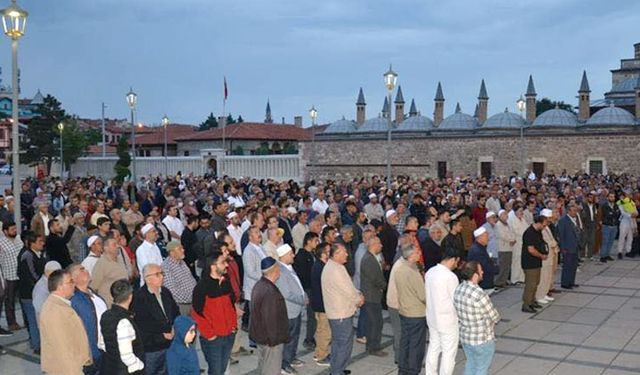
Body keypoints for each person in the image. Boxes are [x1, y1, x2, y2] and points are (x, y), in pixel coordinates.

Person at [191, 251, 237, 375]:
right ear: (213, 266)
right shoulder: (202, 287)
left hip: (229, 334)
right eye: (223, 263)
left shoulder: (226, 282)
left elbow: (232, 307)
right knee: (216, 371)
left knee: (222, 369)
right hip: (213, 338)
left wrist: (233, 327)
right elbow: (196, 313)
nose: (226, 265)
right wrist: (210, 335)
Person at [40, 269, 93, 374]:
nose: (74, 284)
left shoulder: (60, 305)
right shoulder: (54, 311)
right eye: (70, 282)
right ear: (60, 287)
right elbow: (62, 348)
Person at [322, 243, 364, 375]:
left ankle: (336, 369)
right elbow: (348, 291)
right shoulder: (336, 270)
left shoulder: (334, 266)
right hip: (340, 314)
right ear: (335, 255)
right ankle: (337, 371)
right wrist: (359, 299)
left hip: (337, 313)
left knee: (337, 344)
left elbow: (349, 287)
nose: (347, 254)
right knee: (343, 345)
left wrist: (357, 293)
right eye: (343, 252)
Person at [453, 261, 501, 375]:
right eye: (480, 271)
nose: (483, 272)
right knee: (481, 368)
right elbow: (493, 315)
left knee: (471, 364)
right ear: (475, 275)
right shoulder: (479, 293)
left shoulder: (459, 288)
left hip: (466, 337)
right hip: (482, 339)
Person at [132, 263, 180, 374]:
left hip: (170, 344)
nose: (162, 276)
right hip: (152, 348)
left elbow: (175, 311)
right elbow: (141, 325)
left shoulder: (165, 292)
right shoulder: (139, 297)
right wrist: (161, 336)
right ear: (147, 279)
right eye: (157, 274)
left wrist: (174, 327)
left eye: (162, 273)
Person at [424, 247, 461, 375]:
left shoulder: (430, 272)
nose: (457, 265)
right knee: (448, 353)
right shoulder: (450, 277)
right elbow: (455, 300)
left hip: (432, 317)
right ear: (452, 260)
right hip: (448, 320)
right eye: (457, 262)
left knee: (434, 347)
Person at [250, 257, 289, 375]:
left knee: (263, 367)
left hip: (261, 337)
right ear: (275, 270)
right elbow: (270, 319)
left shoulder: (260, 285)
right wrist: (273, 342)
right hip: (271, 341)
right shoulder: (270, 291)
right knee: (271, 370)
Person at [99, 279, 145, 374]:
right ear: (130, 296)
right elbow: (126, 355)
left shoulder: (106, 315)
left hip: (110, 367)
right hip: (125, 370)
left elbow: (101, 343)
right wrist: (140, 365)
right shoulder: (124, 321)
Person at [70, 263, 109, 374]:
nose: (86, 270)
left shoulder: (92, 293)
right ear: (73, 278)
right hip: (91, 353)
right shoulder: (75, 300)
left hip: (103, 349)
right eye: (81, 270)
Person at [274, 244, 306, 374]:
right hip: (289, 310)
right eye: (291, 253)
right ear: (284, 255)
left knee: (295, 336)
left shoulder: (289, 267)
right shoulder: (280, 271)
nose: (293, 255)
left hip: (295, 309)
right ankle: (284, 364)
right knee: (288, 339)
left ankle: (291, 358)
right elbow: (286, 293)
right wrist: (302, 299)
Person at [395, 243, 426, 375]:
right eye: (418, 252)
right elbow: (423, 295)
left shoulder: (400, 268)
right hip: (416, 313)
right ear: (411, 255)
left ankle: (403, 369)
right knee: (416, 345)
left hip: (404, 311)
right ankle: (413, 370)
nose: (420, 254)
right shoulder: (412, 272)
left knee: (405, 342)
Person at [18, 233, 47, 354]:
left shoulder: (39, 254)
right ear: (32, 243)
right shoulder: (28, 256)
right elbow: (32, 275)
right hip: (29, 294)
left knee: (39, 320)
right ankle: (36, 346)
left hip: (38, 292)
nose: (42, 243)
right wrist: (42, 286)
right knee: (33, 320)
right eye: (40, 241)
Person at [360, 236, 388, 357]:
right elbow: (375, 279)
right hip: (371, 296)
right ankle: (373, 347)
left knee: (376, 322)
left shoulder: (372, 258)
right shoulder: (368, 260)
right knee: (375, 323)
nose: (381, 246)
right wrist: (386, 286)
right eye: (379, 244)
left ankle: (373, 346)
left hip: (374, 295)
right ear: (373, 245)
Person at [293, 232, 319, 350]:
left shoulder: (312, 254)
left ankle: (311, 336)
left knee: (314, 315)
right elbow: (303, 274)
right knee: (311, 315)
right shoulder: (302, 255)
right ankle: (308, 338)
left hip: (314, 287)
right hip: (308, 288)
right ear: (308, 241)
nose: (317, 243)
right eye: (315, 241)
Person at [521, 214, 549, 313]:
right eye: (544, 225)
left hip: (536, 262)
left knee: (536, 282)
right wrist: (542, 256)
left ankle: (532, 301)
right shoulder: (529, 233)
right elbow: (531, 250)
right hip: (529, 262)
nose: (545, 227)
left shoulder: (538, 231)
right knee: (530, 284)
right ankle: (526, 304)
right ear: (538, 223)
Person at [91, 237, 129, 307]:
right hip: (110, 303)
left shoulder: (120, 259)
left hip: (124, 301)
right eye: (114, 245)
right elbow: (94, 286)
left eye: (117, 244)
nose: (118, 246)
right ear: (106, 248)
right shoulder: (101, 263)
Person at [0, 220, 24, 331]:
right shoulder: (1, 243)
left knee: (23, 299)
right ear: (5, 231)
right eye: (12, 229)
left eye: (15, 229)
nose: (15, 231)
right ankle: (11, 322)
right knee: (9, 301)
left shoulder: (18, 239)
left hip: (21, 274)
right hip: (9, 276)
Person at [162, 240, 197, 315]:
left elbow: (191, 279)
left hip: (194, 301)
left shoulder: (182, 262)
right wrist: (192, 298)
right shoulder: (166, 267)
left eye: (182, 248)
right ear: (172, 253)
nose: (183, 250)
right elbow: (173, 291)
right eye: (179, 249)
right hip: (183, 305)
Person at [310, 242, 331, 366]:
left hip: (319, 304)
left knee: (321, 330)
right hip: (322, 305)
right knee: (325, 332)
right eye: (328, 251)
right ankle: (322, 357)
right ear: (323, 254)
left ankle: (319, 352)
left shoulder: (320, 265)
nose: (331, 253)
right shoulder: (320, 267)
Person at [467, 227, 499, 291]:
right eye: (486, 236)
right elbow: (485, 266)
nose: (488, 238)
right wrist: (496, 268)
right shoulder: (477, 250)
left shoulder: (480, 248)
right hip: (483, 283)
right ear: (480, 237)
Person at [558, 203, 580, 290]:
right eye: (574, 210)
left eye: (576, 210)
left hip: (575, 246)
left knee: (573, 265)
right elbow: (561, 235)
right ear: (568, 211)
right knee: (567, 265)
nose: (575, 212)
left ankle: (571, 281)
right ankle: (565, 283)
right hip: (567, 247)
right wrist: (563, 248)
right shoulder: (563, 221)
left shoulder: (575, 219)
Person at [495, 210, 515, 287]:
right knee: (503, 266)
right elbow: (502, 235)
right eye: (504, 214)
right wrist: (511, 240)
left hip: (509, 247)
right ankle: (499, 282)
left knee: (507, 265)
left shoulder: (508, 224)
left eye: (506, 214)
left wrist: (513, 239)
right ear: (500, 216)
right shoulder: (498, 225)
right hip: (503, 248)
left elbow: (512, 232)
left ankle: (504, 280)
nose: (506, 216)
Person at [599, 192, 620, 262]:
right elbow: (607, 215)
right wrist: (614, 213)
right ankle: (602, 256)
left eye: (613, 197)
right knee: (605, 241)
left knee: (611, 241)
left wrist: (613, 213)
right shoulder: (605, 205)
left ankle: (607, 254)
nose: (612, 198)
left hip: (614, 226)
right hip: (606, 226)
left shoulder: (616, 205)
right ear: (607, 198)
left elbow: (618, 214)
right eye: (610, 197)